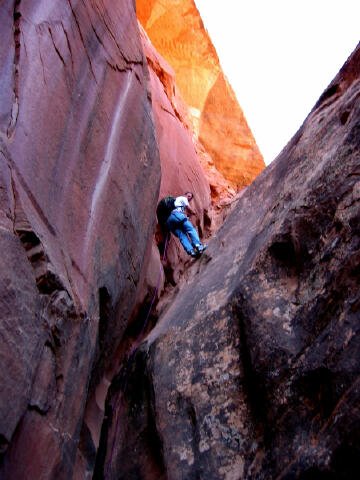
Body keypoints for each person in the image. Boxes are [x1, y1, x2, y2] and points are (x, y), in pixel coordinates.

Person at [166, 192, 207, 257]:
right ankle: (198, 246)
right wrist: (193, 212)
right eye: (189, 196)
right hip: (176, 215)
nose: (189, 198)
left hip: (170, 221)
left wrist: (186, 216)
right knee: (190, 229)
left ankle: (191, 251)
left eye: (190, 197)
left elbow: (183, 213)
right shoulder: (183, 198)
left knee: (182, 235)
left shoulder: (176, 201)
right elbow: (189, 209)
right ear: (185, 194)